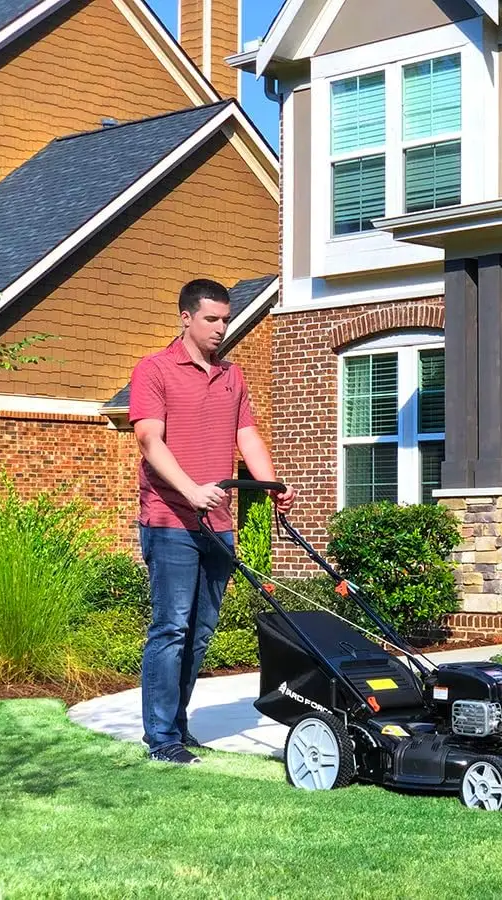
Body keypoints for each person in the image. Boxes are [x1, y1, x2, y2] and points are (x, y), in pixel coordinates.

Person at [129, 278, 296, 764]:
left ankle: (176, 725)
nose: (222, 327)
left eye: (225, 319)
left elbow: (248, 437)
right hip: (169, 520)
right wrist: (190, 489)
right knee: (171, 627)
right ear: (185, 317)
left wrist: (272, 486)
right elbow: (148, 441)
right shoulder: (154, 370)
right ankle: (161, 737)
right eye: (211, 319)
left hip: (218, 523)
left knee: (201, 631)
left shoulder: (232, 376)